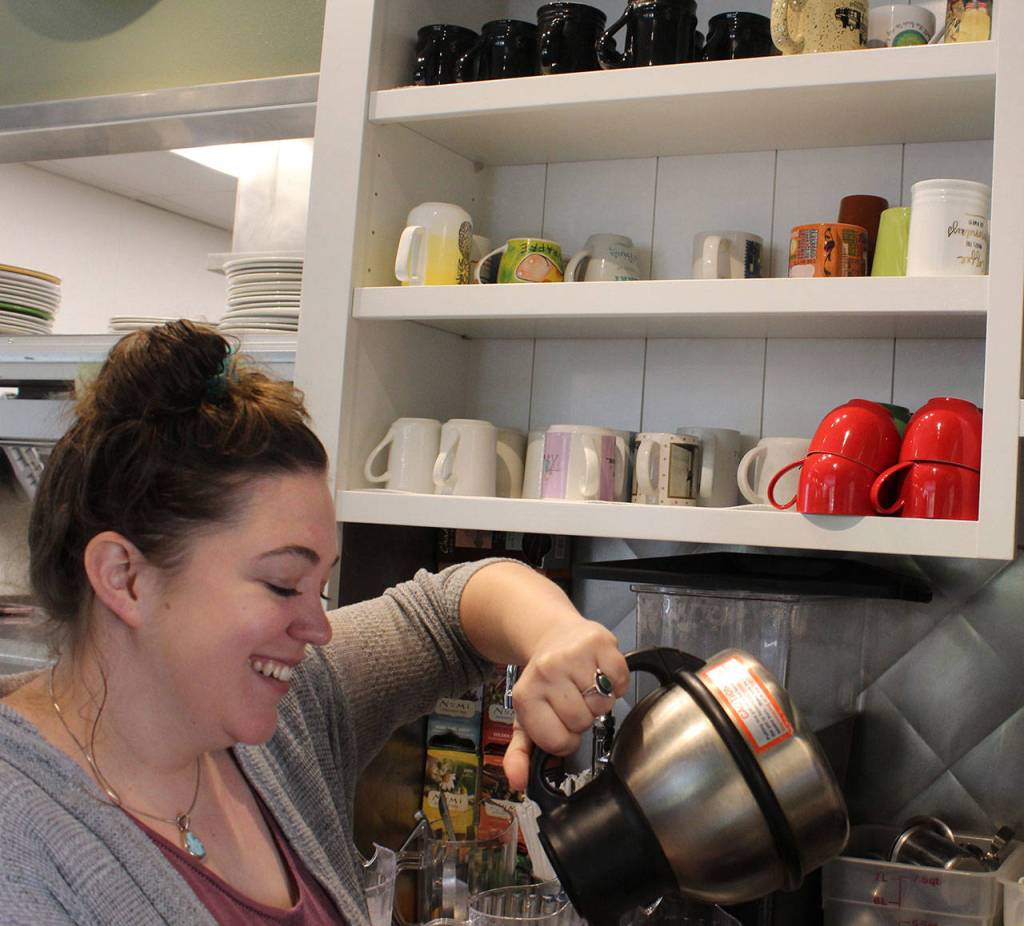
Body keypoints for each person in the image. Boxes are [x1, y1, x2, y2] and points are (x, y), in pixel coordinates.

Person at [0, 321, 629, 925]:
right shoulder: (22, 843)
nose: (319, 626)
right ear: (124, 577)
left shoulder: (287, 715)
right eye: (281, 584)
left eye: (320, 585)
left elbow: (449, 610)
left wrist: (555, 636)